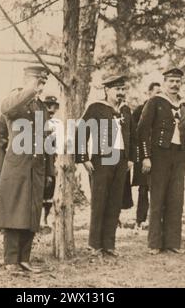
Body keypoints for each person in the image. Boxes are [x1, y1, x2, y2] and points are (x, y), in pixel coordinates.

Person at [0, 66, 55, 272]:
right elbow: (7, 109)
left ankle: (24, 258)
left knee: (32, 212)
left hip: (36, 166)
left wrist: (48, 172)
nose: (40, 85)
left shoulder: (41, 107)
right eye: (37, 81)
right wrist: (29, 90)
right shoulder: (15, 100)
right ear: (26, 80)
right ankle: (11, 260)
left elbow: (46, 140)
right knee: (14, 211)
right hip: (18, 165)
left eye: (43, 82)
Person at [76, 75, 136, 257]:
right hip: (101, 160)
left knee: (115, 202)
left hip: (121, 161)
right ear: (107, 90)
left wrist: (131, 158)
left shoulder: (126, 111)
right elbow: (81, 131)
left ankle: (109, 244)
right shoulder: (96, 108)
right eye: (117, 89)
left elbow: (133, 136)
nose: (120, 93)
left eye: (122, 89)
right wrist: (84, 158)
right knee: (99, 201)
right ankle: (94, 245)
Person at [137, 68, 185, 255]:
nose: (175, 85)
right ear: (165, 82)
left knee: (176, 199)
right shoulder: (155, 102)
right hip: (159, 156)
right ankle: (154, 243)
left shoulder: (184, 106)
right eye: (171, 81)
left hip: (178, 156)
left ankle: (172, 243)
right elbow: (143, 130)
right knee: (158, 199)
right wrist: (146, 156)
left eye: (178, 81)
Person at [132, 82, 161, 229]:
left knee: (158, 188)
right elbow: (135, 133)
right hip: (144, 154)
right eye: (156, 92)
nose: (159, 95)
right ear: (149, 93)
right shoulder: (139, 110)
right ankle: (140, 219)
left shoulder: (164, 109)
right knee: (143, 188)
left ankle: (156, 220)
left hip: (159, 155)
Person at [42, 95, 60, 227]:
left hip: (50, 159)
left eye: (53, 106)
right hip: (39, 159)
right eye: (48, 105)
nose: (50, 109)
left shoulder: (56, 124)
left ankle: (45, 219)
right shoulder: (39, 121)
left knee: (49, 190)